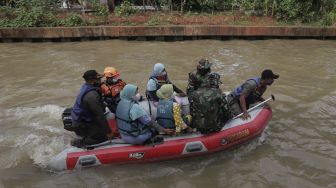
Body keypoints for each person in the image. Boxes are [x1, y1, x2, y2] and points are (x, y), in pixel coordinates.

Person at [70, 70, 113, 148]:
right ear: (92, 80)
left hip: (83, 118)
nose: (101, 81)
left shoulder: (87, 86)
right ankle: (80, 142)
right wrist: (108, 131)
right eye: (99, 79)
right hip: (82, 124)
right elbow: (99, 115)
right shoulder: (91, 95)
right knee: (103, 137)